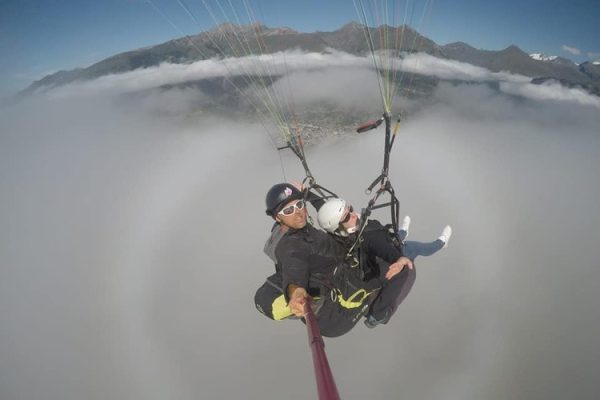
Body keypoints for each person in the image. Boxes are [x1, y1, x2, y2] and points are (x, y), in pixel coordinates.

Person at [254, 183, 411, 335]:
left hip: (340, 268)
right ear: (277, 218)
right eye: (289, 210)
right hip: (339, 314)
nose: (299, 212)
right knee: (405, 269)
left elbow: (328, 212)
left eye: (300, 204)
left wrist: (308, 194)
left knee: (382, 246)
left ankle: (398, 246)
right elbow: (294, 266)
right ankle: (377, 316)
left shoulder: (295, 228)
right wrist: (295, 292)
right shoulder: (291, 246)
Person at [317, 198, 452, 328]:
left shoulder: (339, 233)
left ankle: (403, 231)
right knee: (414, 248)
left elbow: (328, 214)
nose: (352, 215)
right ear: (338, 226)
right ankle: (441, 243)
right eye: (346, 217)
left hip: (380, 247)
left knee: (395, 238)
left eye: (350, 209)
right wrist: (399, 259)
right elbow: (382, 248)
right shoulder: (367, 238)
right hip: (380, 258)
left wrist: (308, 195)